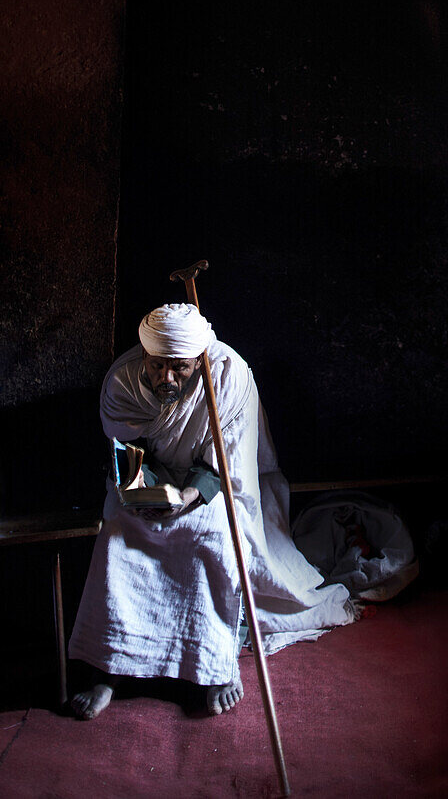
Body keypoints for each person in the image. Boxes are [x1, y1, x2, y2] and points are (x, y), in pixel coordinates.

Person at [68, 303, 355, 719]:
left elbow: (229, 459)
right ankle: (109, 668)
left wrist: (189, 496)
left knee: (217, 536)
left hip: (210, 486)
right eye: (156, 366)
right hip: (149, 487)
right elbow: (129, 452)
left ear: (199, 360)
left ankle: (215, 665)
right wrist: (145, 489)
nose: (166, 377)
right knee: (117, 535)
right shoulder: (123, 381)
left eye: (179, 368)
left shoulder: (229, 376)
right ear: (143, 356)